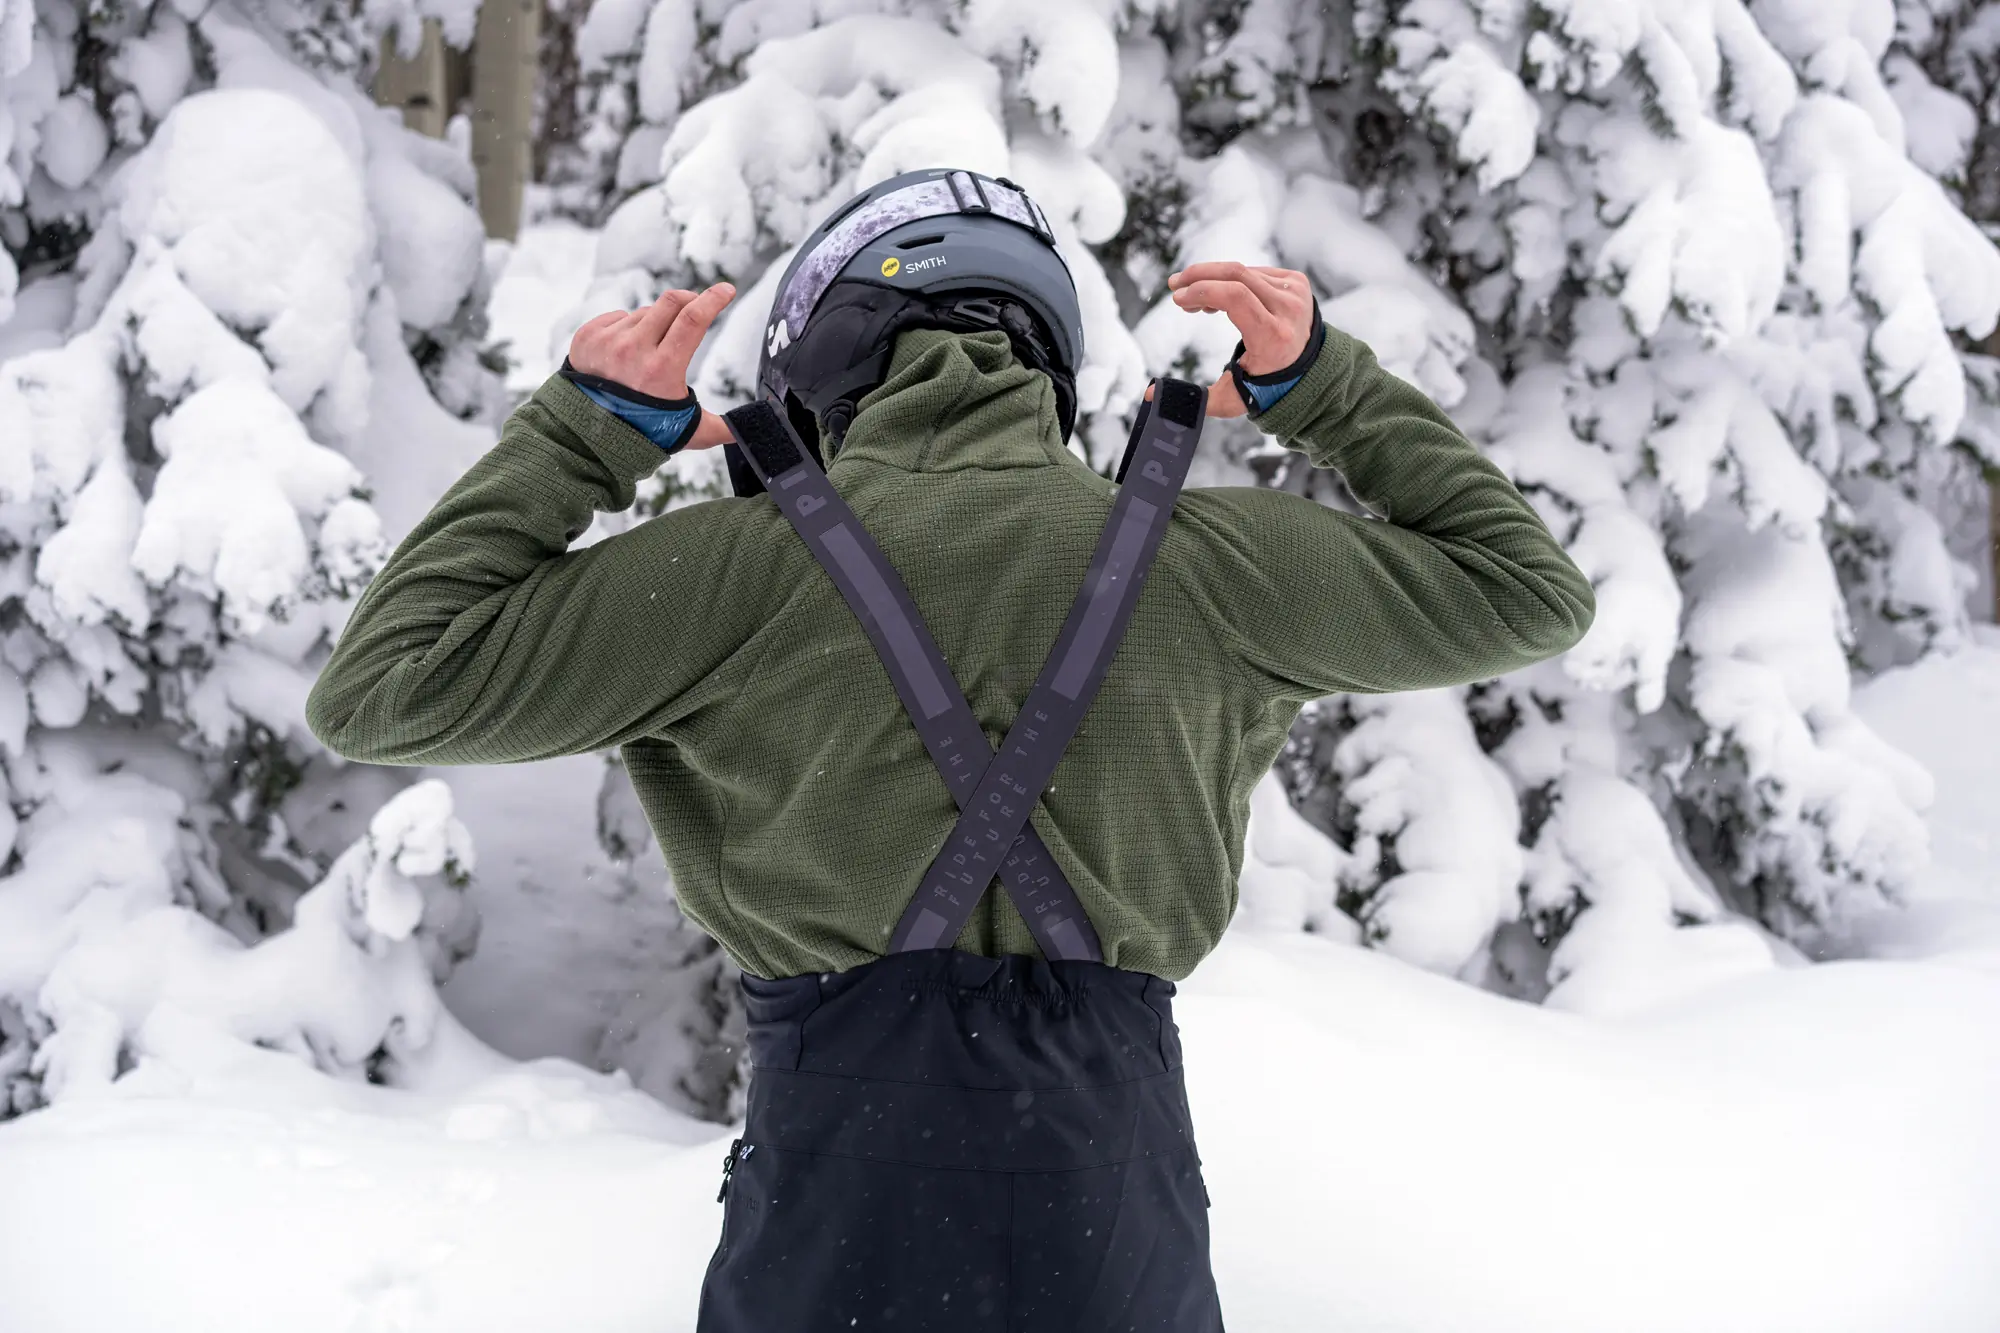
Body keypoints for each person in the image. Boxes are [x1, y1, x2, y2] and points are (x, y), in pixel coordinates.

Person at [306, 167, 1595, 1331]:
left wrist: (581, 430)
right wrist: (1332, 389)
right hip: (1119, 1244)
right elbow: (1531, 592)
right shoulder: (1217, 568)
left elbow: (381, 687)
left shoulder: (723, 581)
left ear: (824, 364)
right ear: (1047, 354)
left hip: (830, 1244)